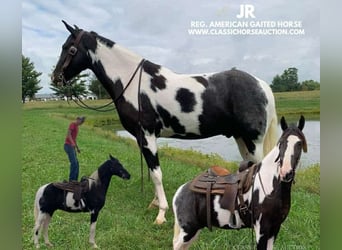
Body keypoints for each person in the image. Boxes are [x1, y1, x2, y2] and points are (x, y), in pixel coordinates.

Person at [64, 116, 85, 181]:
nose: (80, 123)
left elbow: (74, 139)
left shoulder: (77, 127)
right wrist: (72, 143)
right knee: (74, 163)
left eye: (81, 123)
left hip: (72, 146)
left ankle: (75, 180)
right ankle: (71, 180)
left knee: (77, 163)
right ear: (77, 119)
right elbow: (69, 134)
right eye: (80, 121)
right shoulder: (72, 124)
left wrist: (77, 148)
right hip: (68, 145)